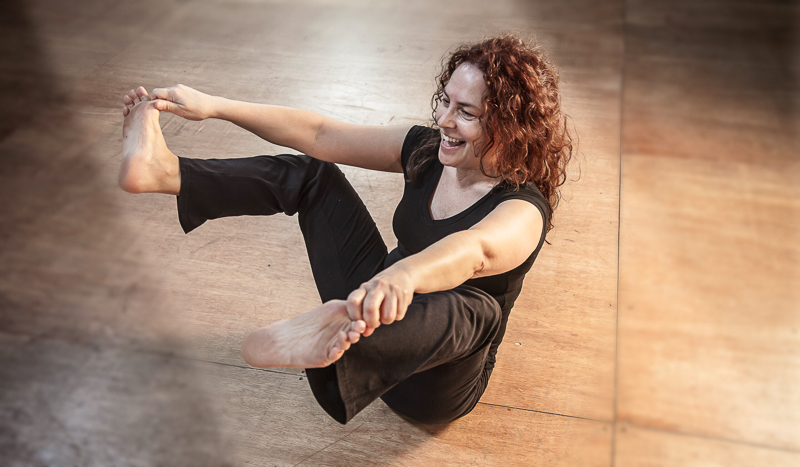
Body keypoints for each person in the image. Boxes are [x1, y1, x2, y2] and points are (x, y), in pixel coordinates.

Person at [118, 35, 573, 425]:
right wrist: (216, 106)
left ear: (510, 127)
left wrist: (402, 276)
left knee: (477, 308)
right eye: (446, 101)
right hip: (374, 305)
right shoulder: (428, 150)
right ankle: (165, 172)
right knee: (313, 173)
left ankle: (341, 344)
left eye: (466, 112)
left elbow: (474, 251)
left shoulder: (522, 209)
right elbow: (321, 134)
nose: (444, 120)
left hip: (432, 386)